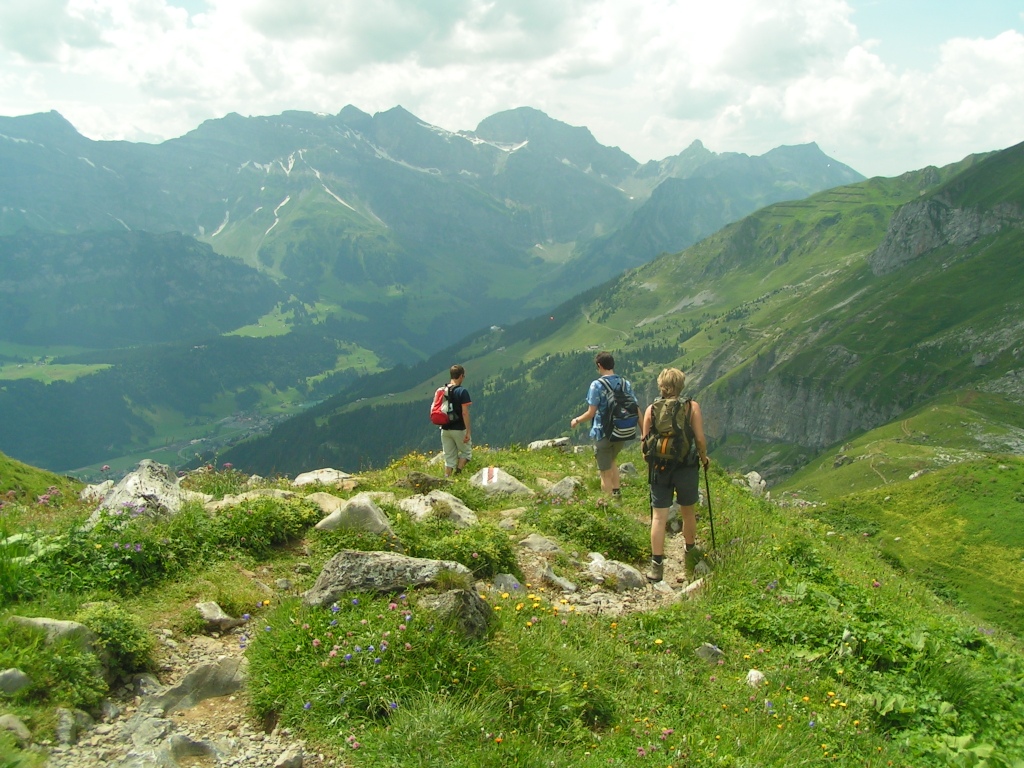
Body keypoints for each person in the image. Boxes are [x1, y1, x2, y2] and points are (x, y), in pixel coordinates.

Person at [642, 367, 709, 582]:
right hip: (686, 467)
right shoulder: (692, 407)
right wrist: (704, 458)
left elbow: (645, 444)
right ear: (681, 385)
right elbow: (699, 439)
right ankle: (689, 553)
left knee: (659, 517)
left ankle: (657, 566)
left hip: (659, 468)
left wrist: (653, 462)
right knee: (687, 512)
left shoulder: (651, 409)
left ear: (661, 385)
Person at [569, 351, 636, 498]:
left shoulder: (597, 385)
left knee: (604, 472)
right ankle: (617, 495)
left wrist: (577, 420)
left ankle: (608, 504)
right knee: (612, 461)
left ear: (599, 365)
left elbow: (591, 413)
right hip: (622, 431)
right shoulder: (625, 383)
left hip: (603, 433)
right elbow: (635, 408)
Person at [440, 364, 473, 477]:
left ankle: (447, 478)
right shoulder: (462, 391)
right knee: (466, 453)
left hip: (445, 428)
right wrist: (468, 431)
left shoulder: (442, 390)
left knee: (449, 456)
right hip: (459, 428)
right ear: (461, 376)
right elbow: (465, 412)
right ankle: (458, 474)